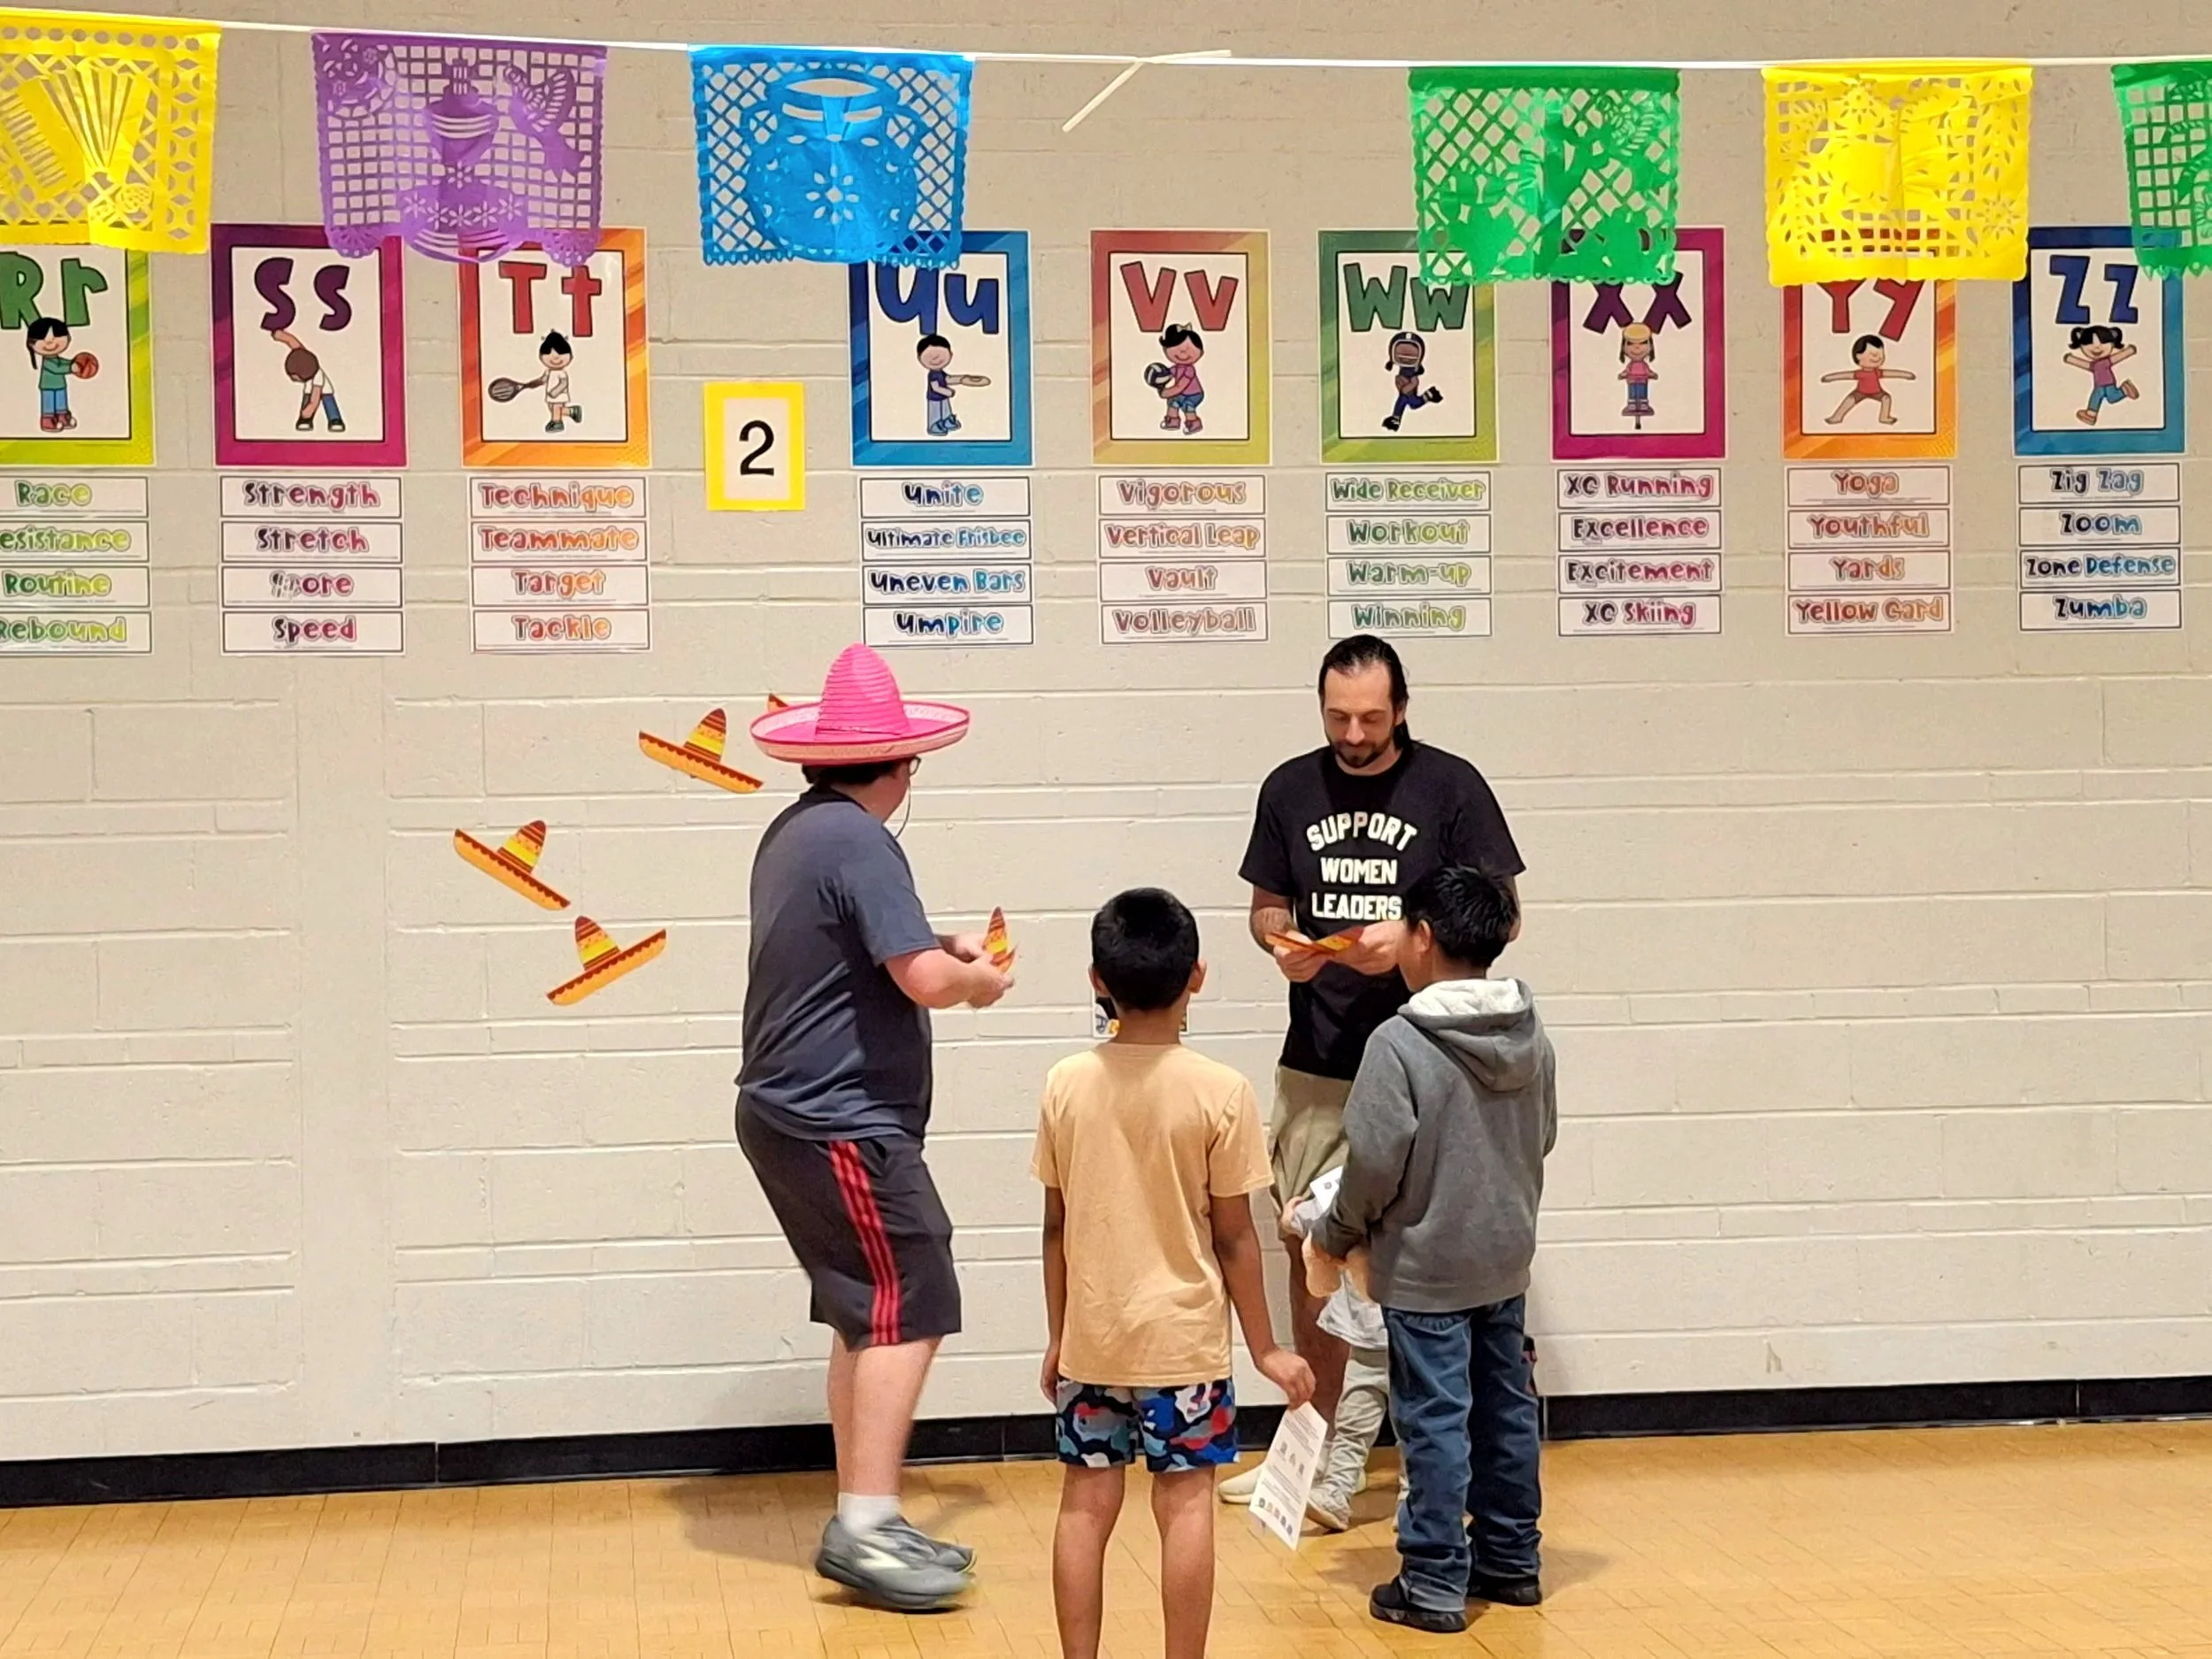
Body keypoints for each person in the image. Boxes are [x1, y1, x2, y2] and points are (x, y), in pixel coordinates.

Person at [736, 643, 1015, 1613]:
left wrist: (930, 940)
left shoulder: (798, 832)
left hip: (789, 1114)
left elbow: (848, 947)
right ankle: (863, 1524)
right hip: (837, 1118)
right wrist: (976, 979)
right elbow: (924, 982)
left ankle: (869, 1509)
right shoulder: (862, 841)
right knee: (916, 1291)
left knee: (869, 1310)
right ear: (899, 766)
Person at [1220, 634, 1524, 1505]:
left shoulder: (1452, 787)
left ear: (1401, 708)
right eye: (1336, 716)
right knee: (1305, 1246)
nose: (1352, 734)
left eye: (1369, 717)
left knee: (1414, 1254)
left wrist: (1405, 939)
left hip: (1431, 1051)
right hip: (1317, 1056)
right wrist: (1279, 940)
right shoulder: (1288, 786)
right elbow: (1265, 904)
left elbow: (1504, 912)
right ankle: (1306, 1451)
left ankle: (1411, 1459)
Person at [1035, 888, 1313, 1659]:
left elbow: (1056, 1228)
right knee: (1186, 1507)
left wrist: (1059, 1336)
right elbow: (1235, 1239)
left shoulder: (1065, 1083)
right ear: (1198, 975)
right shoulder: (1223, 1091)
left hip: (1094, 1338)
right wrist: (1265, 1348)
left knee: (1085, 1506)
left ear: (1098, 979)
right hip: (1185, 1344)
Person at [1308, 867, 1555, 1633]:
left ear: (1422, 935)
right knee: (1507, 1412)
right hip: (1505, 1257)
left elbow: (1375, 1164)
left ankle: (1434, 1581)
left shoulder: (1401, 1041)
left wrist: (1336, 1229)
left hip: (1425, 1270)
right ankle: (1511, 1561)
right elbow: (1543, 1133)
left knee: (1435, 1421)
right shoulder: (1530, 1028)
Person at [1822, 334, 1915, 426]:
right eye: (1874, 355)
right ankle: (1837, 417)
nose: (1878, 358)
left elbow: (1891, 373)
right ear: (1858, 356)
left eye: (1881, 355)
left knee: (1886, 398)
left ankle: (1884, 417)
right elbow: (1845, 375)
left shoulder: (1877, 372)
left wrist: (1907, 375)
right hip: (1860, 392)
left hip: (1877, 392)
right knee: (1849, 399)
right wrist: (1829, 378)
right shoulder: (1860, 373)